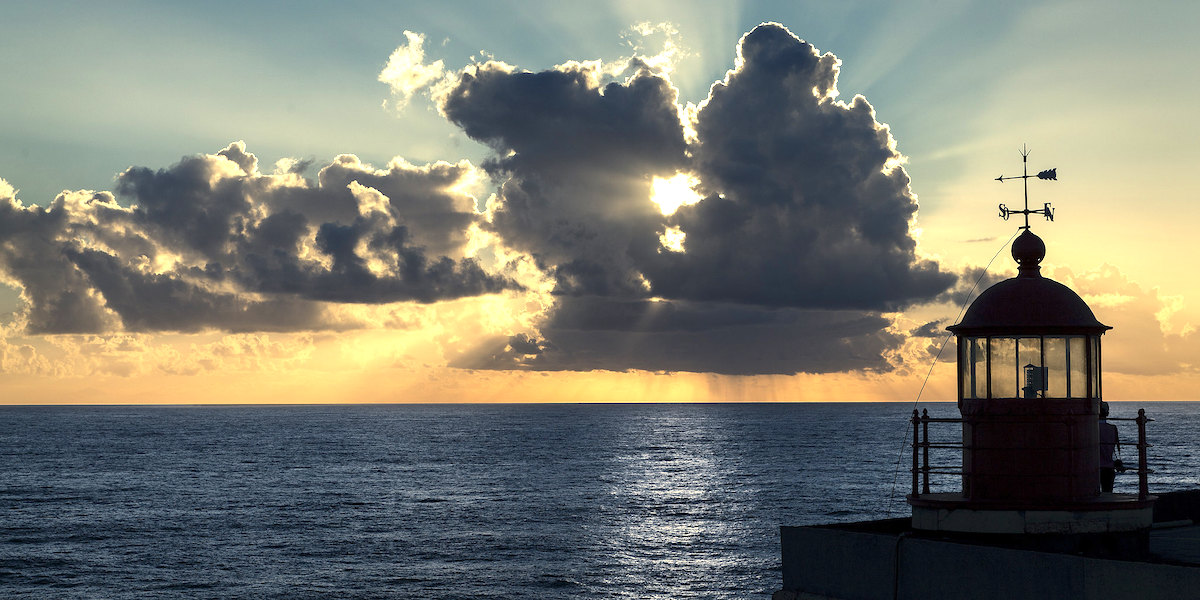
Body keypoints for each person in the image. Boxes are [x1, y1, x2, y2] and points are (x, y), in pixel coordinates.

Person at [1099, 401, 1120, 493]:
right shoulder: (1113, 428)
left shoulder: (1089, 428)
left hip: (1092, 468)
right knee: (1107, 491)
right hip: (1108, 467)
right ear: (1107, 413)